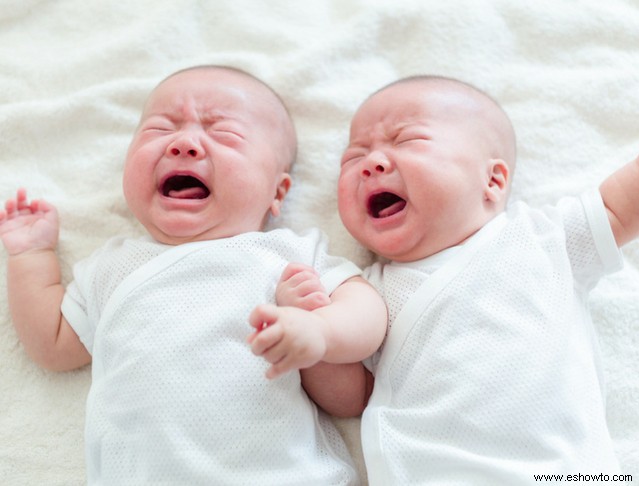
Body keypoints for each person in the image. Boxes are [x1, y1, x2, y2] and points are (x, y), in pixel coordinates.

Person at [0, 65, 387, 485]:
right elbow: (53, 345)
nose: (184, 143)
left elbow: (360, 350)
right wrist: (30, 256)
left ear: (277, 192)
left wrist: (320, 331)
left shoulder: (286, 256)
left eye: (224, 134)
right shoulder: (113, 267)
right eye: (159, 129)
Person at [275, 75, 639, 484]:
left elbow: (622, 204)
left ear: (492, 181)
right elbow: (355, 398)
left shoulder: (543, 240)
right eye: (353, 157)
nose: (371, 163)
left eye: (407, 141)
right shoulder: (368, 293)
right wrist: (313, 344)